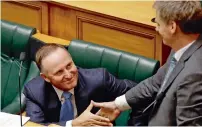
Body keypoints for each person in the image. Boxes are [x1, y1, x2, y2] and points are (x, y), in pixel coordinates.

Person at [93, 1, 202, 126]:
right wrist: (117, 105)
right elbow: (156, 82)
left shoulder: (194, 75)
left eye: (158, 23)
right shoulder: (181, 46)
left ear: (172, 27)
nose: (156, 29)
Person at [23, 43, 136, 126]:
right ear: (45, 77)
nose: (68, 75)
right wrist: (72, 124)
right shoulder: (34, 91)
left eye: (69, 66)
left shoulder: (99, 79)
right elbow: (36, 125)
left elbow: (139, 91)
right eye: (59, 72)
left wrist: (117, 104)